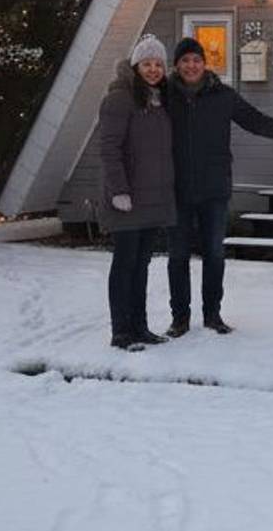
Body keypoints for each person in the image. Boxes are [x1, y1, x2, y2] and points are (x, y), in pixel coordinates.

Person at [165, 36, 273, 336]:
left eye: (196, 60)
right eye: (185, 60)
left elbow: (257, 122)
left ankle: (212, 315)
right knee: (177, 256)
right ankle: (180, 319)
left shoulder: (223, 96)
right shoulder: (164, 96)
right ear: (176, 65)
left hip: (214, 189)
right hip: (175, 190)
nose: (191, 66)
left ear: (205, 64)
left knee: (214, 254)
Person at [98, 35, 178, 351]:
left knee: (141, 265)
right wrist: (119, 190)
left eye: (158, 64)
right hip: (127, 199)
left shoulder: (160, 100)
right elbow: (109, 149)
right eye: (147, 64)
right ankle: (121, 332)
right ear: (135, 66)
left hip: (151, 200)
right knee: (125, 265)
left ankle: (140, 327)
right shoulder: (119, 100)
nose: (153, 69)